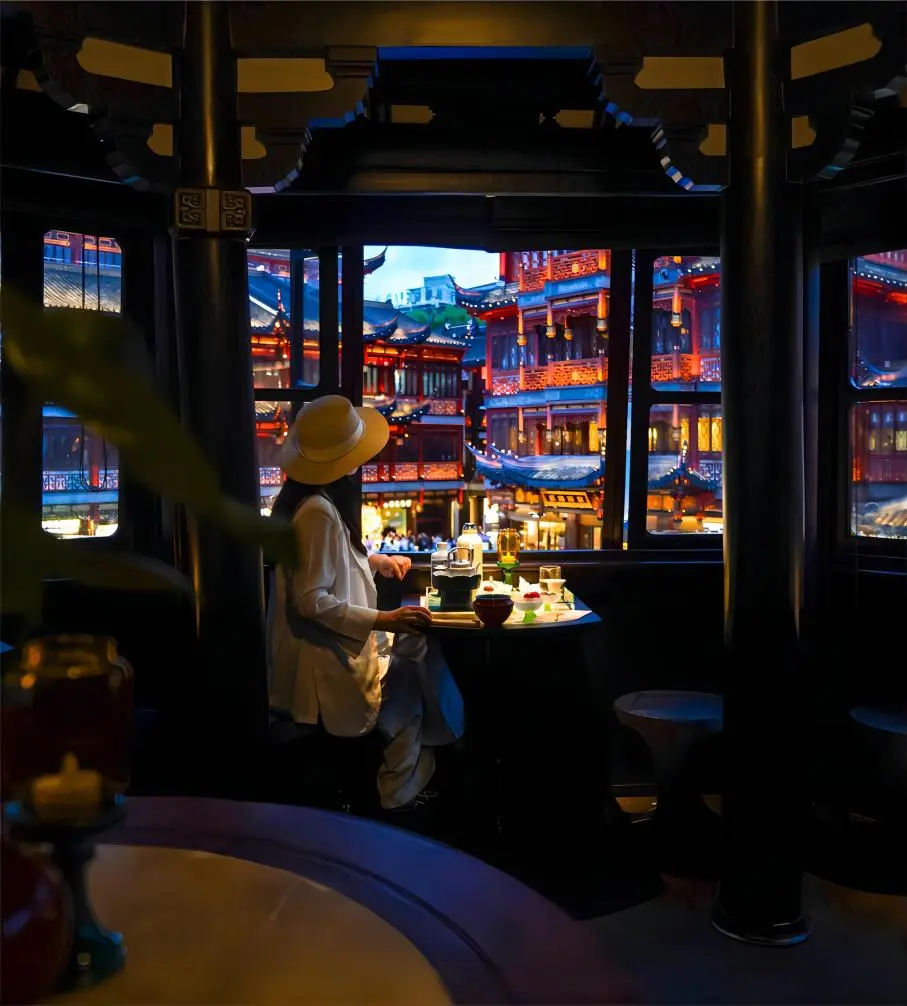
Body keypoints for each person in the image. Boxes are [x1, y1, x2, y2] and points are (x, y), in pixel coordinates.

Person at [267, 395, 464, 811]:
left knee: (419, 657)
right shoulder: (319, 512)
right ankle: (397, 788)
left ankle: (407, 776)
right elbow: (311, 600)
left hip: (330, 656)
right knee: (416, 672)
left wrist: (374, 561)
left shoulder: (310, 504)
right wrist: (387, 618)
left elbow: (324, 567)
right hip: (330, 667)